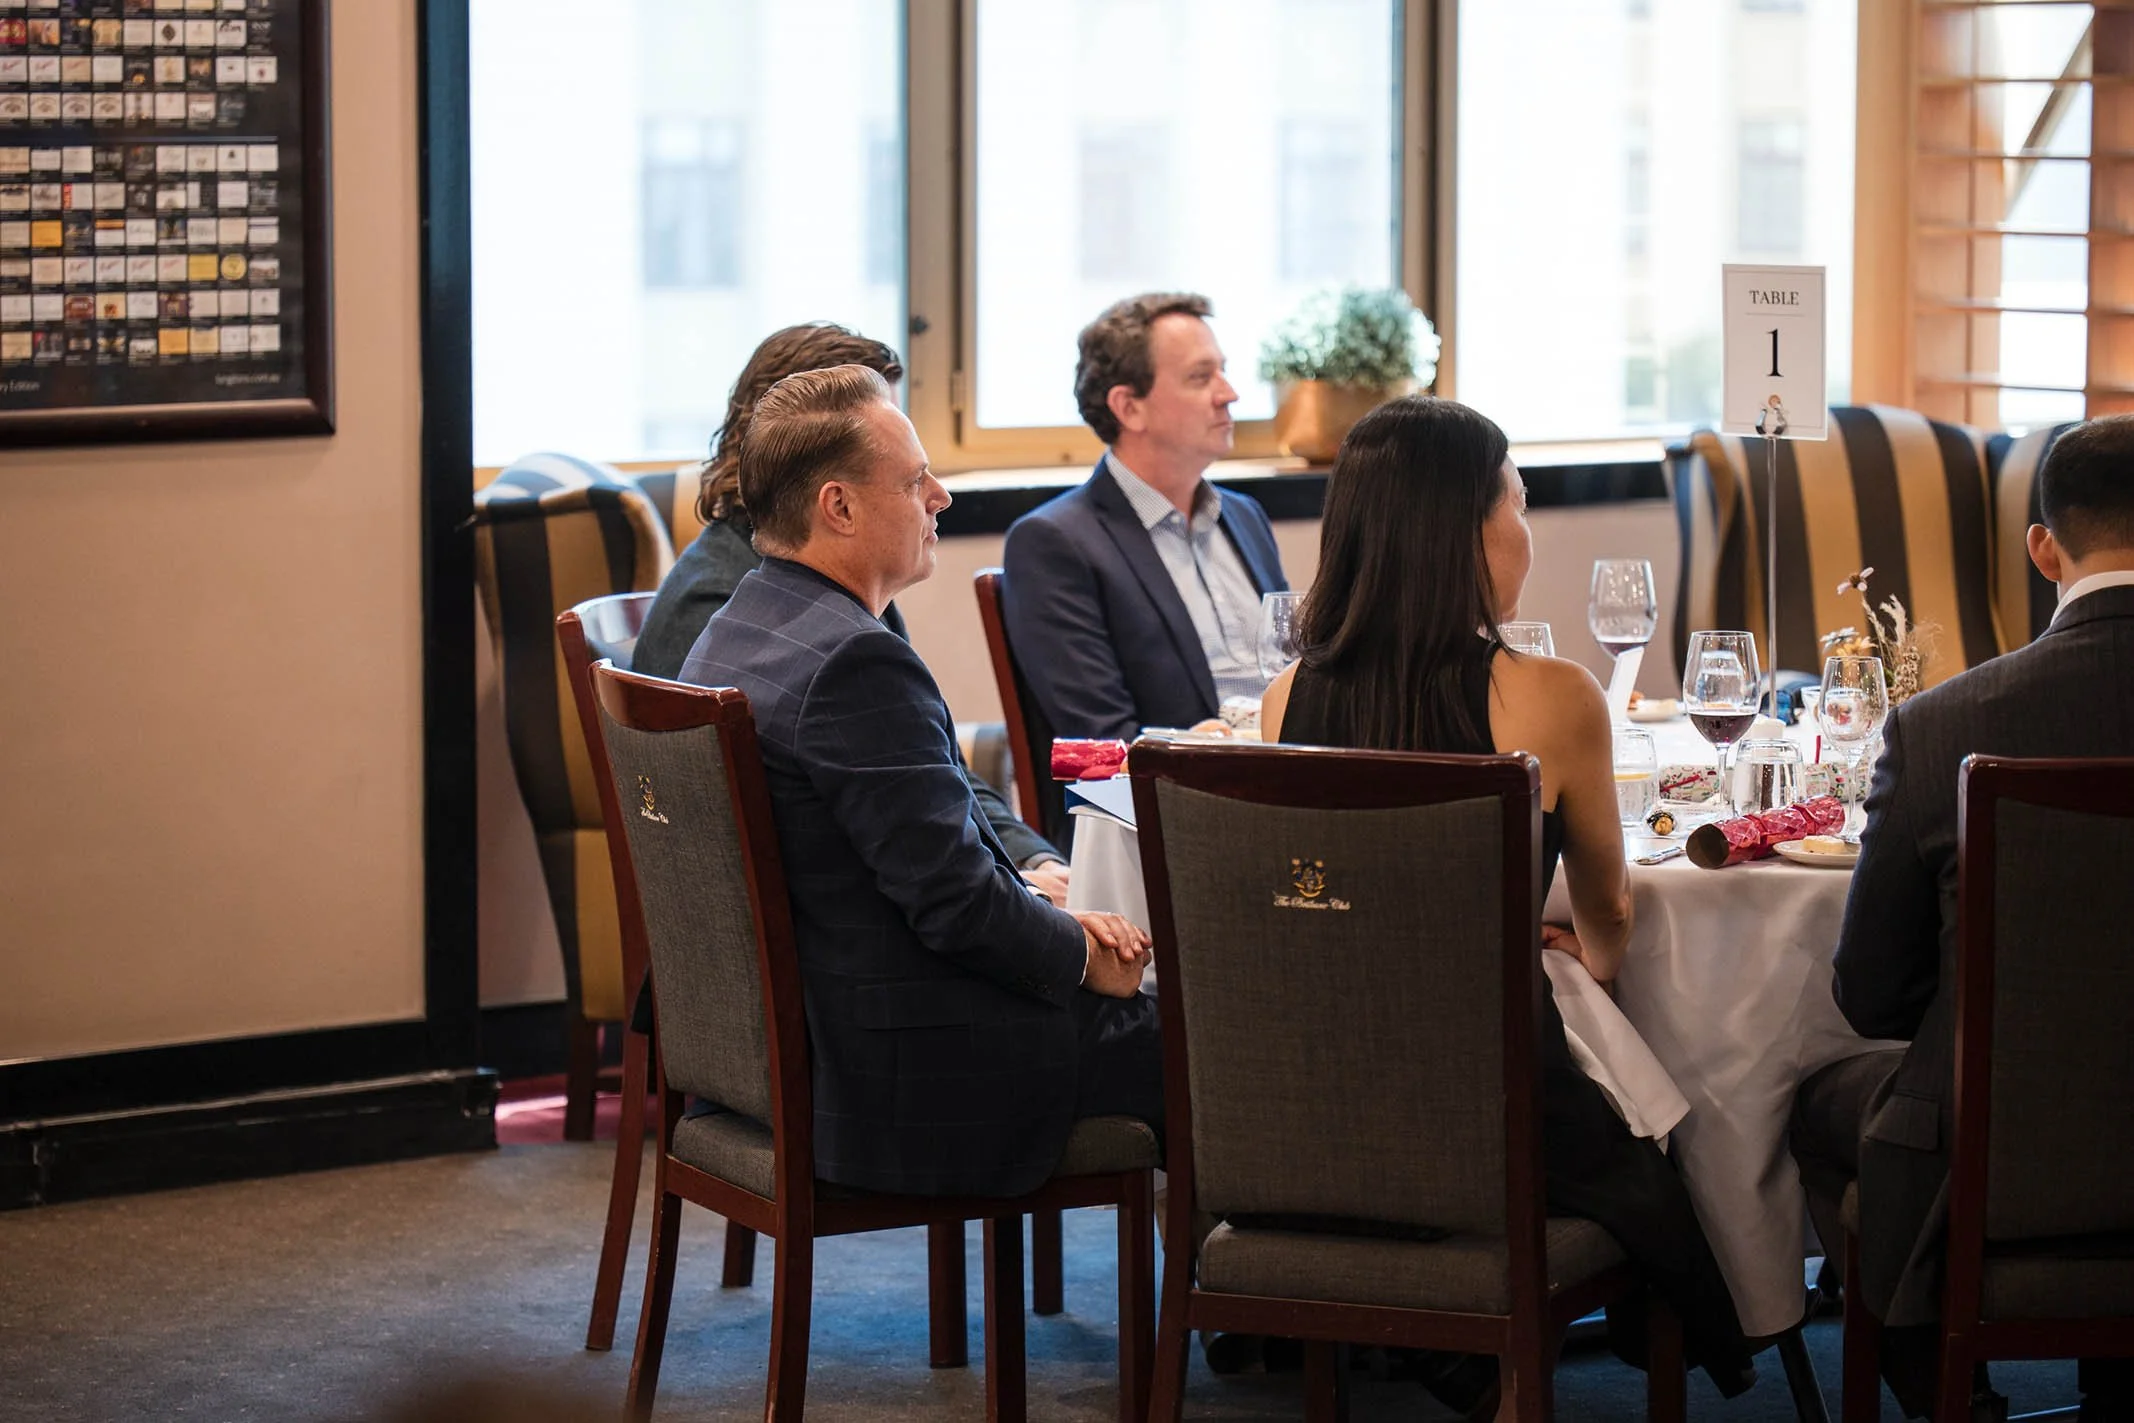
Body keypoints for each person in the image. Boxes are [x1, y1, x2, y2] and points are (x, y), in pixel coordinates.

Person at [1259, 395, 1757, 1413]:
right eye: (1517, 505)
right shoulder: (1553, 697)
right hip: (1492, 1107)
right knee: (1655, 1126)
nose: (1524, 531)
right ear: (1468, 533)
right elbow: (1608, 909)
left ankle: (1441, 1338)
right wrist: (1584, 958)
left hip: (1327, 1101)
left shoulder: (1284, 699)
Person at [679, 364, 1164, 1197]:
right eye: (915, 480)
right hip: (911, 1079)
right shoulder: (853, 661)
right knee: (1223, 1043)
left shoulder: (744, 622)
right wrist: (1083, 955)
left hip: (810, 1045)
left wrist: (1034, 894)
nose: (940, 496)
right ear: (839, 507)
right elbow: (957, 907)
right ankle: (1261, 1314)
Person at [1790, 414, 2134, 1420]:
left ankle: (1946, 1385)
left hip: (1994, 1150)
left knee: (1821, 1099)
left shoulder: (1947, 725)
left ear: (2042, 547)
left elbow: (1873, 992)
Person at [634, 322, 1068, 905]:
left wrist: (1028, 859)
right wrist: (1029, 904)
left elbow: (928, 767)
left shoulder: (831, 587)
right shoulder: (733, 607)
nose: (933, 491)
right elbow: (762, 872)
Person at [1001, 292, 1287, 749]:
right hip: (1166, 804)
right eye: (1200, 377)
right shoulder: (1054, 542)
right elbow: (1099, 736)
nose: (1228, 394)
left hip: (1290, 781)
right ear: (1129, 407)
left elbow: (1291, 672)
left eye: (1223, 371)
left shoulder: (1245, 516)